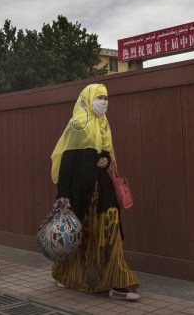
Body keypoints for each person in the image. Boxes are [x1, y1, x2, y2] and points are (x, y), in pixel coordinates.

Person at [50, 83, 140, 301]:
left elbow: (106, 154)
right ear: (88, 98)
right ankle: (65, 273)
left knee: (111, 231)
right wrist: (62, 193)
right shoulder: (77, 123)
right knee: (79, 235)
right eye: (99, 97)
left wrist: (106, 159)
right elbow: (66, 161)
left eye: (106, 98)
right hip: (80, 191)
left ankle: (118, 282)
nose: (104, 102)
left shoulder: (104, 124)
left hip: (102, 189)